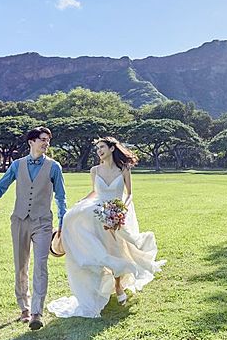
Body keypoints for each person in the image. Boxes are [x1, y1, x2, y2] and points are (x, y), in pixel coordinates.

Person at [47, 136, 165, 318]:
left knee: (118, 248)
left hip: (117, 212)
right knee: (98, 245)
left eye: (102, 147)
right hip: (98, 212)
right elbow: (96, 191)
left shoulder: (124, 169)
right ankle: (101, 284)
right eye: (97, 149)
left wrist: (121, 210)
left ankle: (118, 285)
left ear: (111, 148)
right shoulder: (94, 170)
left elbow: (129, 194)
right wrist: (82, 201)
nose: (99, 151)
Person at [0, 126, 67, 330]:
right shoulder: (17, 165)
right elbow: (2, 185)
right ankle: (24, 307)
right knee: (21, 265)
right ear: (31, 142)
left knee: (41, 266)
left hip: (43, 223)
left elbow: (61, 197)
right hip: (20, 221)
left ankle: (37, 312)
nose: (46, 143)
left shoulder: (54, 167)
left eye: (48, 140)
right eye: (42, 139)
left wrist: (62, 221)